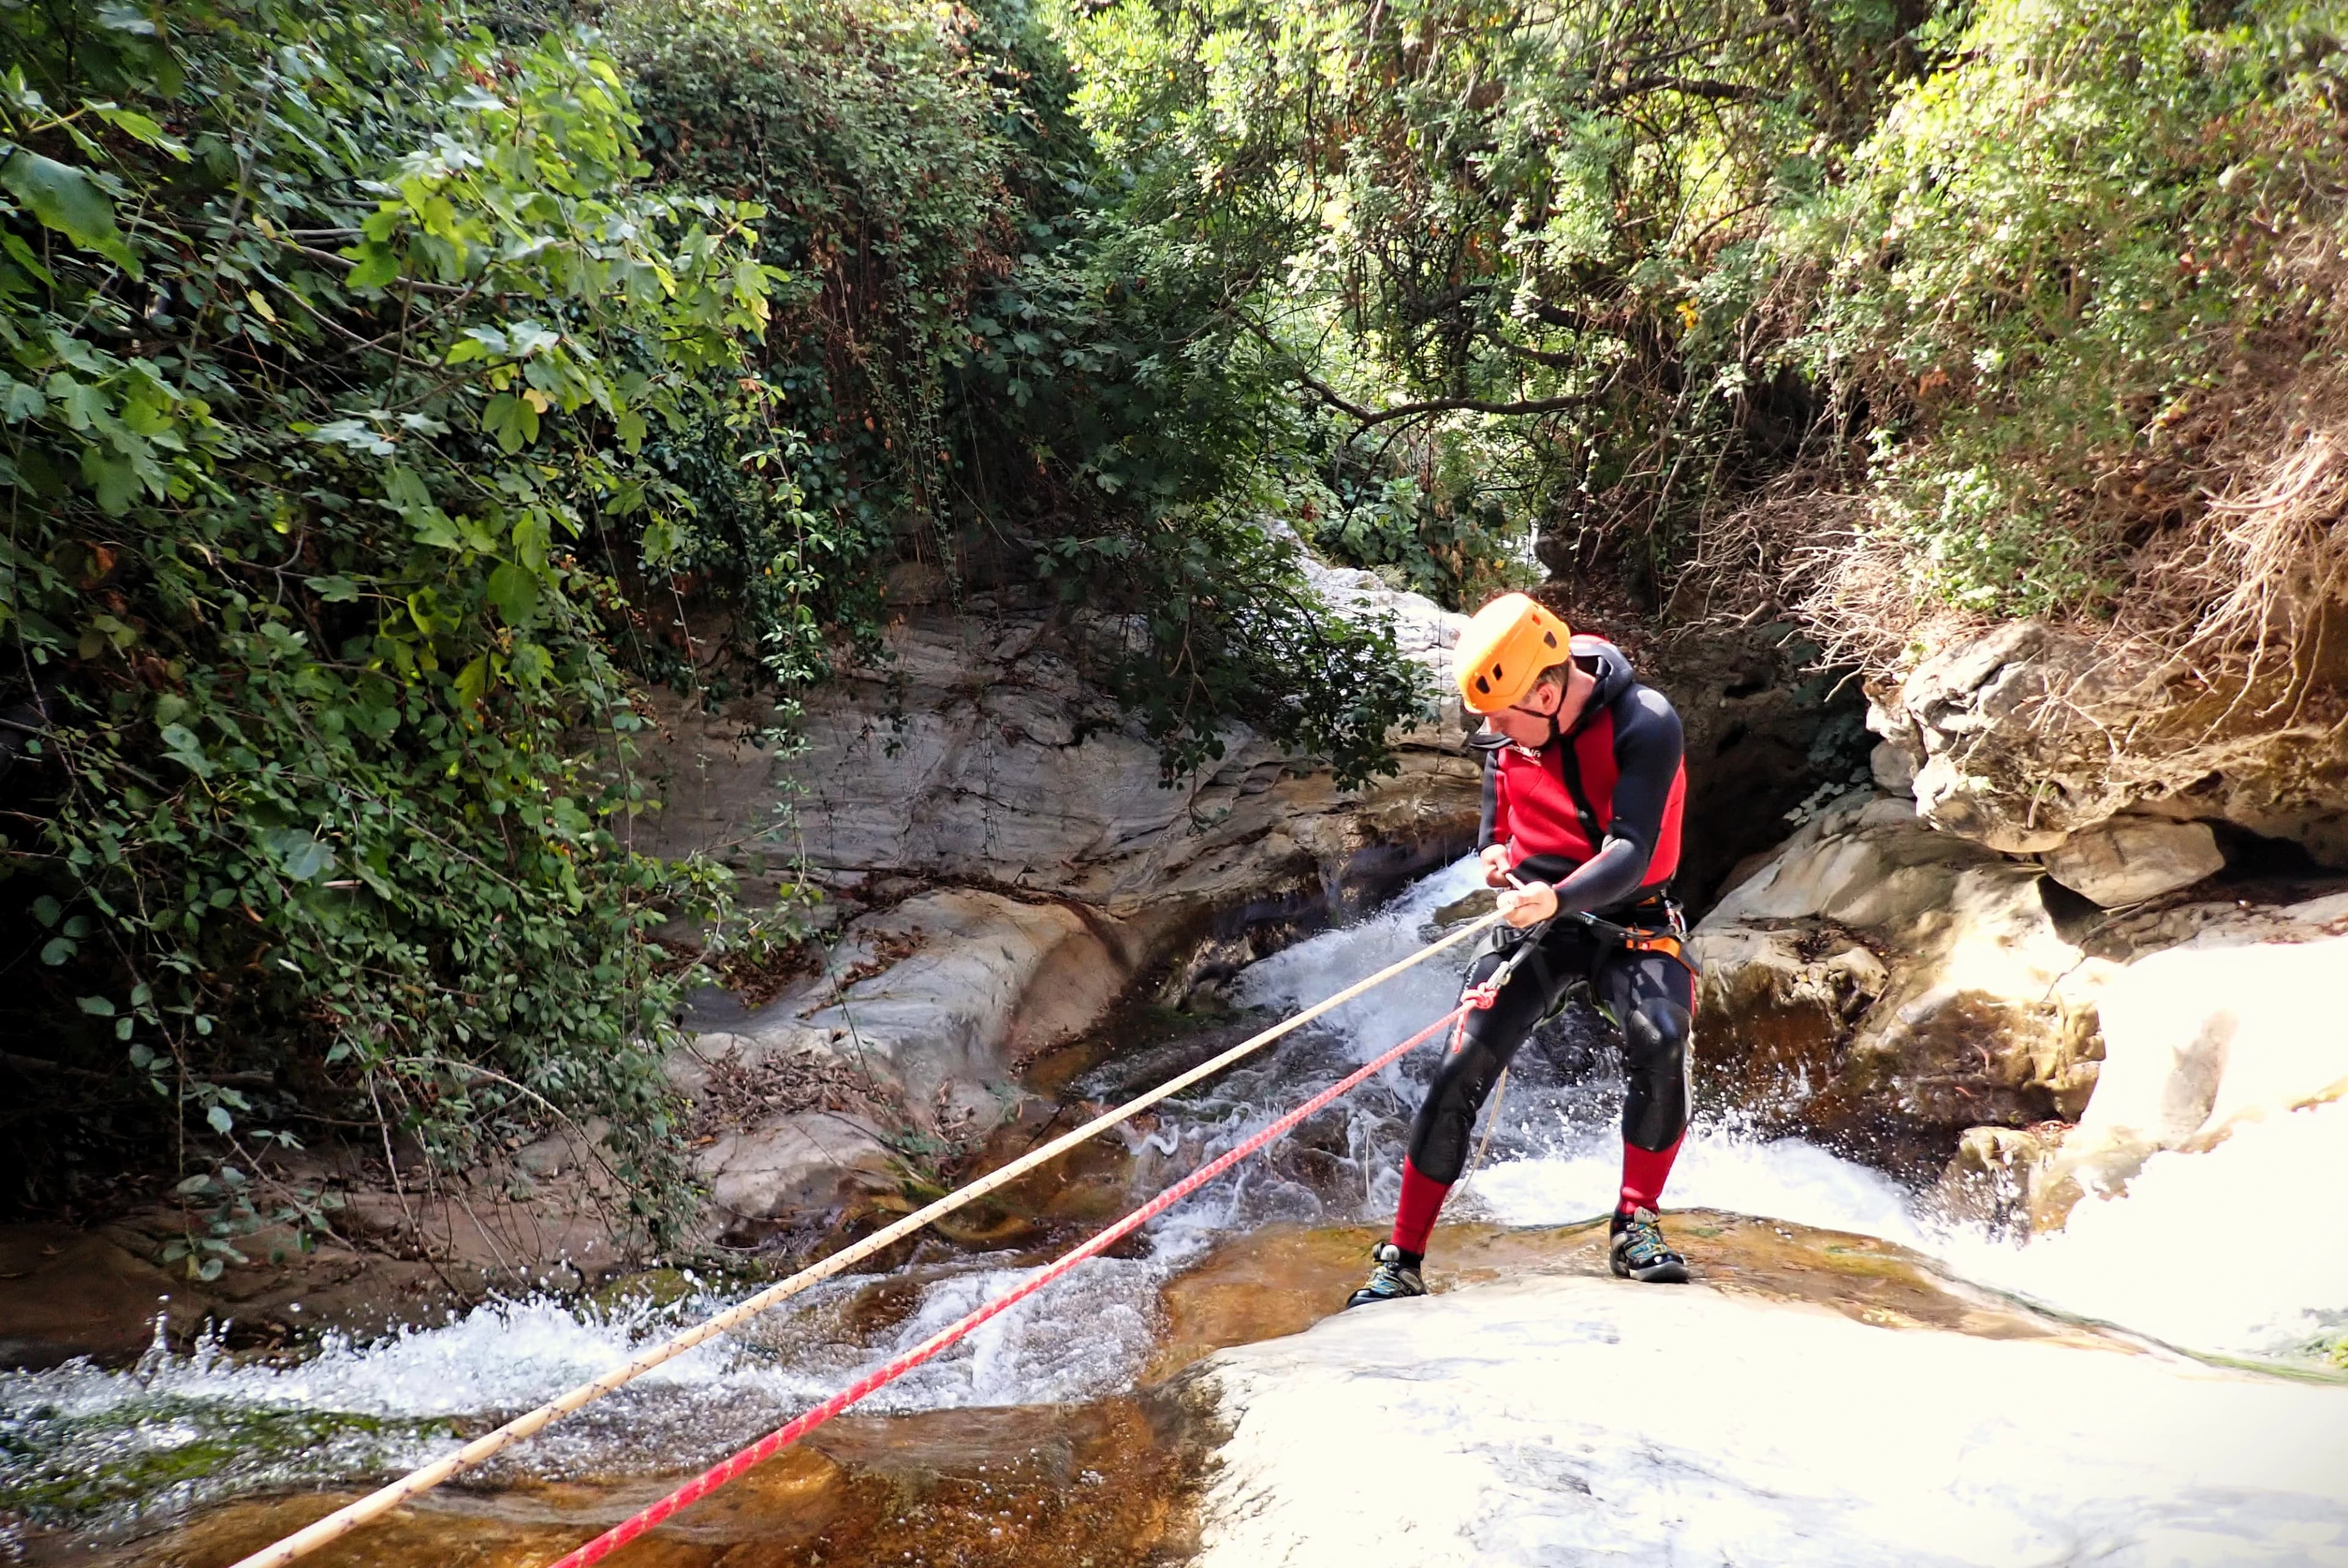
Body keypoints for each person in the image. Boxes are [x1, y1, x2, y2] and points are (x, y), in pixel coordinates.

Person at [1347, 592, 1696, 1306]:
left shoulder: (1646, 723)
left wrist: (1559, 897)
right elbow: (1493, 816)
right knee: (1460, 1065)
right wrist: (1497, 854)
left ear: (1547, 690)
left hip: (1631, 917)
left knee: (1662, 1037)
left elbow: (1632, 850)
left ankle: (1636, 1226)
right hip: (1538, 920)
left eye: (1505, 719)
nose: (1494, 733)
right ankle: (1403, 1257)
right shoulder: (1514, 727)